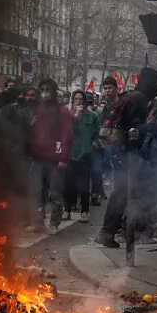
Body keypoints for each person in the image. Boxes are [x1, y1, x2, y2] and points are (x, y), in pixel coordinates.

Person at [98, 69, 157, 247]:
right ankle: (111, 232)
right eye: (155, 85)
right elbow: (135, 130)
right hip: (128, 155)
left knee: (123, 193)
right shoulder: (139, 99)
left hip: (120, 152)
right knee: (124, 193)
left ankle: (114, 232)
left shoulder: (130, 95)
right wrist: (153, 129)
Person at [30, 78, 73, 235]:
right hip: (38, 157)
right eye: (41, 89)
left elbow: (66, 135)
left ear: (54, 91)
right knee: (37, 192)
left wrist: (63, 157)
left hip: (54, 159)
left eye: (47, 89)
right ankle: (38, 222)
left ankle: (54, 223)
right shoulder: (39, 109)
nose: (44, 92)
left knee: (55, 193)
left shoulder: (63, 111)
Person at [66, 90, 100, 223]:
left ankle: (84, 211)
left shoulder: (93, 116)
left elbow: (98, 134)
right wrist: (75, 117)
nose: (78, 102)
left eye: (80, 99)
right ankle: (67, 209)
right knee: (68, 186)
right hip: (70, 155)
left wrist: (91, 147)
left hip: (85, 157)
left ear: (85, 101)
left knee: (84, 187)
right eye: (75, 99)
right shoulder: (68, 115)